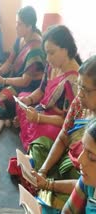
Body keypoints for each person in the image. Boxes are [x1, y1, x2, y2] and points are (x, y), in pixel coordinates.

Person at [28, 55, 96, 211]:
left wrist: (48, 184)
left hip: (82, 175)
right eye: (78, 86)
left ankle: (45, 188)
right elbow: (63, 136)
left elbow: (84, 182)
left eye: (85, 89)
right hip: (71, 164)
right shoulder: (79, 104)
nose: (79, 94)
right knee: (40, 144)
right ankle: (42, 180)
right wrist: (43, 171)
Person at [16, 25, 80, 151]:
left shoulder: (74, 81)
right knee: (21, 97)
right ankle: (31, 137)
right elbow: (41, 91)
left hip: (58, 122)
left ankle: (33, 141)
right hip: (44, 109)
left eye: (51, 53)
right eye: (46, 53)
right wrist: (28, 100)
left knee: (45, 132)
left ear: (65, 49)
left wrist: (39, 118)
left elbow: (67, 120)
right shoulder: (52, 65)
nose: (48, 58)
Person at [0, 6, 45, 119]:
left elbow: (25, 81)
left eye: (19, 24)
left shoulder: (35, 49)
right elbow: (9, 62)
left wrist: (3, 80)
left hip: (31, 85)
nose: (16, 27)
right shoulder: (21, 38)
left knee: (0, 101)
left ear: (29, 26)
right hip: (17, 78)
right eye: (16, 23)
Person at [62, 120, 96, 213]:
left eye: (92, 157)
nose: (80, 159)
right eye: (83, 148)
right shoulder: (89, 181)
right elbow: (67, 212)